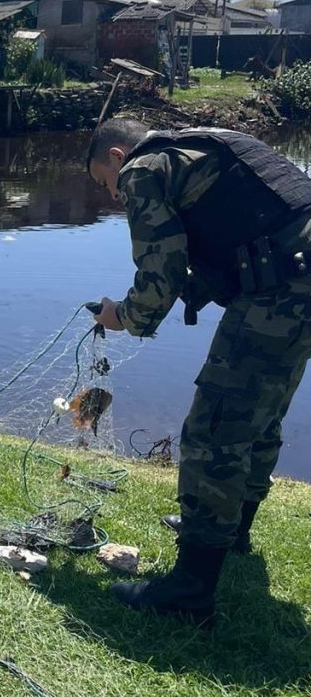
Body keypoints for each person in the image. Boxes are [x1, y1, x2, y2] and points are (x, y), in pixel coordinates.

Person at [86, 116, 311, 626]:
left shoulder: (142, 170)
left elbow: (158, 272)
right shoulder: (206, 144)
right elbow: (242, 226)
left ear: (118, 158)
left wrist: (121, 316)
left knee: (216, 429)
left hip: (284, 288)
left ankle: (189, 591)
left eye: (106, 184)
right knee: (261, 412)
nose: (114, 196)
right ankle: (229, 534)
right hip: (298, 277)